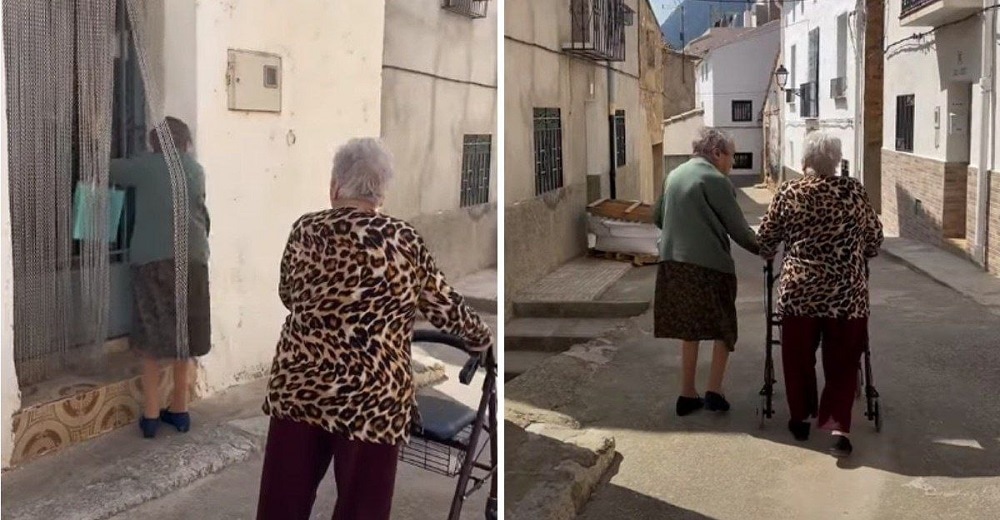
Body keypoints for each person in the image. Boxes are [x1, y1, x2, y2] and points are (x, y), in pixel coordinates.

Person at [255, 138, 493, 520]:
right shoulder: (403, 240)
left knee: (282, 504)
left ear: (335, 187)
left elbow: (288, 294)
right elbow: (445, 306)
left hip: (301, 385)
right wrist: (481, 338)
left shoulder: (305, 230)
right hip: (373, 397)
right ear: (381, 193)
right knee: (362, 509)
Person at [756, 131, 883, 458]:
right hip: (847, 295)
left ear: (804, 161)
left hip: (800, 293)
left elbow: (766, 238)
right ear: (836, 161)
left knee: (798, 358)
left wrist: (771, 251)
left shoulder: (789, 191)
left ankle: (800, 418)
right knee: (844, 361)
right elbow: (874, 239)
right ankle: (839, 428)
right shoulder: (854, 191)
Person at [109, 116, 211, 439]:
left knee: (151, 337)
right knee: (184, 337)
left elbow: (109, 171)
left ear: (154, 144)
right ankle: (180, 410)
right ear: (185, 142)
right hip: (193, 260)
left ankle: (151, 416)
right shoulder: (195, 170)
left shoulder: (145, 166)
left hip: (152, 262)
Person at [652, 127, 759, 417]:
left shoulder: (674, 175)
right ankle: (714, 390)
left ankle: (687, 393)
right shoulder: (716, 180)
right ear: (716, 153)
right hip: (709, 266)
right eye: (731, 156)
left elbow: (658, 216)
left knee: (691, 328)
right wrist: (763, 248)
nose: (732, 162)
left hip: (673, 264)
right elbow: (739, 229)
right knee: (723, 327)